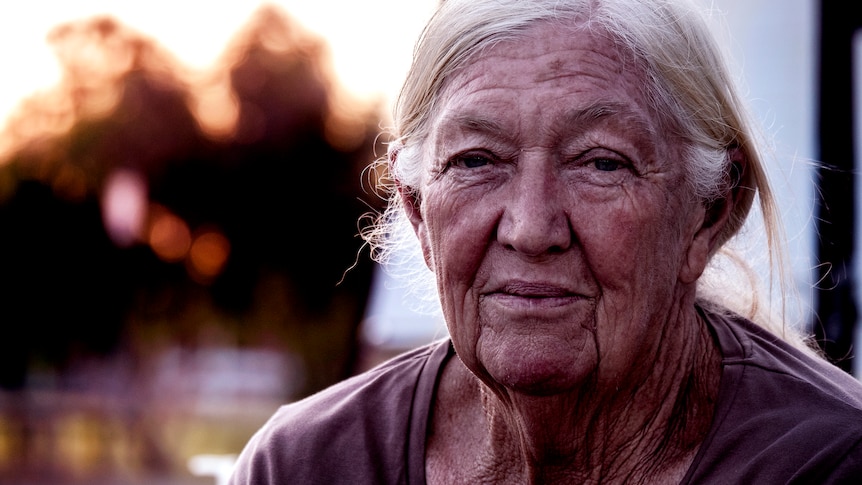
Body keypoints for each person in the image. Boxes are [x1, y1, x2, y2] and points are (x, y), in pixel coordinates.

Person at [229, 0, 862, 483]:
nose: (531, 229)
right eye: (476, 160)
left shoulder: (829, 461)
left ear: (710, 213)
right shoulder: (307, 463)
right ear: (418, 212)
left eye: (601, 163)